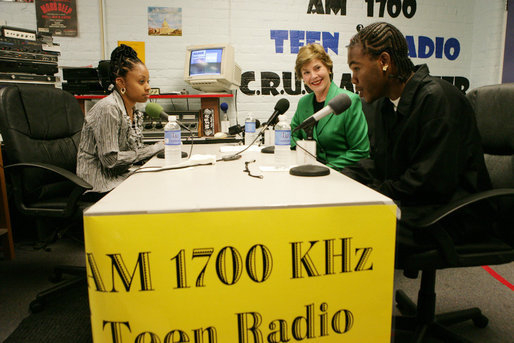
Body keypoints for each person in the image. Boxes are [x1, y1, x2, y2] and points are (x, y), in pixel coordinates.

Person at [343, 22, 493, 246]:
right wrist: (341, 177)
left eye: (356, 68)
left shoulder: (438, 100)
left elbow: (427, 184)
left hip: (452, 215)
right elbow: (384, 166)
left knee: (356, 227)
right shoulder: (384, 105)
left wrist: (367, 193)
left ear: (384, 62)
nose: (353, 79)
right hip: (419, 204)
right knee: (344, 216)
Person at [77, 44, 164, 199]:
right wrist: (154, 149)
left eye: (148, 81)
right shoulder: (108, 109)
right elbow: (111, 160)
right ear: (121, 83)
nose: (148, 87)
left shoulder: (133, 110)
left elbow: (133, 151)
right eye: (141, 82)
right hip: (99, 184)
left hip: (121, 176)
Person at [290, 43, 370, 171]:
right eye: (306, 72)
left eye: (317, 68)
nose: (313, 76)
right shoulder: (303, 103)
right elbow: (292, 134)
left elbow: (361, 150)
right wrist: (303, 153)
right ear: (302, 78)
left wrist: (328, 168)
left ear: (328, 68)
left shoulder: (349, 100)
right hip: (309, 170)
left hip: (341, 174)